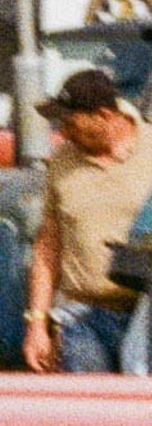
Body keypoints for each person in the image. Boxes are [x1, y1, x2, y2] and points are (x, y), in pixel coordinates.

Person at [24, 69, 152, 372]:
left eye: (70, 123)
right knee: (89, 414)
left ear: (104, 116)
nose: (64, 133)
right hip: (84, 317)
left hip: (145, 314)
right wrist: (37, 323)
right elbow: (48, 247)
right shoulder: (61, 161)